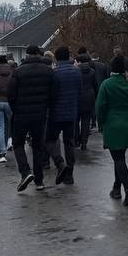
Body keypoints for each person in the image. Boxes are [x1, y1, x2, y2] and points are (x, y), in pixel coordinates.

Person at [95, 54, 128, 205]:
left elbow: (100, 106)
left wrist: (100, 122)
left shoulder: (106, 84)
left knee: (118, 159)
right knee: (120, 157)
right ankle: (116, 188)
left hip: (112, 125)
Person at [9, 44, 55, 192]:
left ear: (27, 55)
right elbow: (54, 93)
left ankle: (25, 172)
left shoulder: (18, 72)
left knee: (18, 144)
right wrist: (46, 107)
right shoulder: (48, 71)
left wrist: (16, 109)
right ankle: (39, 181)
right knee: (38, 146)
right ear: (39, 54)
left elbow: (11, 95)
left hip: (21, 114)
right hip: (40, 114)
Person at [47, 46, 83, 185]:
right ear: (68, 56)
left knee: (50, 140)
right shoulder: (76, 72)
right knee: (69, 142)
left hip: (55, 113)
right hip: (71, 112)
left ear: (56, 58)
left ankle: (59, 163)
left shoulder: (54, 73)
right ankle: (70, 174)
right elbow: (79, 91)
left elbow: (51, 94)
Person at [76, 49, 99, 151]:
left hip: (77, 97)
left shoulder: (76, 71)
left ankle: (76, 139)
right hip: (89, 97)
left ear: (79, 61)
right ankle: (84, 141)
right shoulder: (92, 71)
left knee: (76, 120)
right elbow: (95, 85)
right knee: (86, 121)